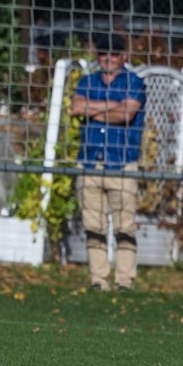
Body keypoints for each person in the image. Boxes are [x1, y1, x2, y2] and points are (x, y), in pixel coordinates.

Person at [68, 32, 146, 291]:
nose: (108, 58)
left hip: (122, 163)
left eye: (114, 54)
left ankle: (124, 280)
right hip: (90, 162)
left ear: (124, 56)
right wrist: (111, 107)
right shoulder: (87, 81)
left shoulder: (134, 81)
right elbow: (76, 108)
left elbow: (126, 114)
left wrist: (96, 108)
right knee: (93, 226)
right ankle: (99, 280)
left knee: (125, 227)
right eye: (103, 53)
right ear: (97, 56)